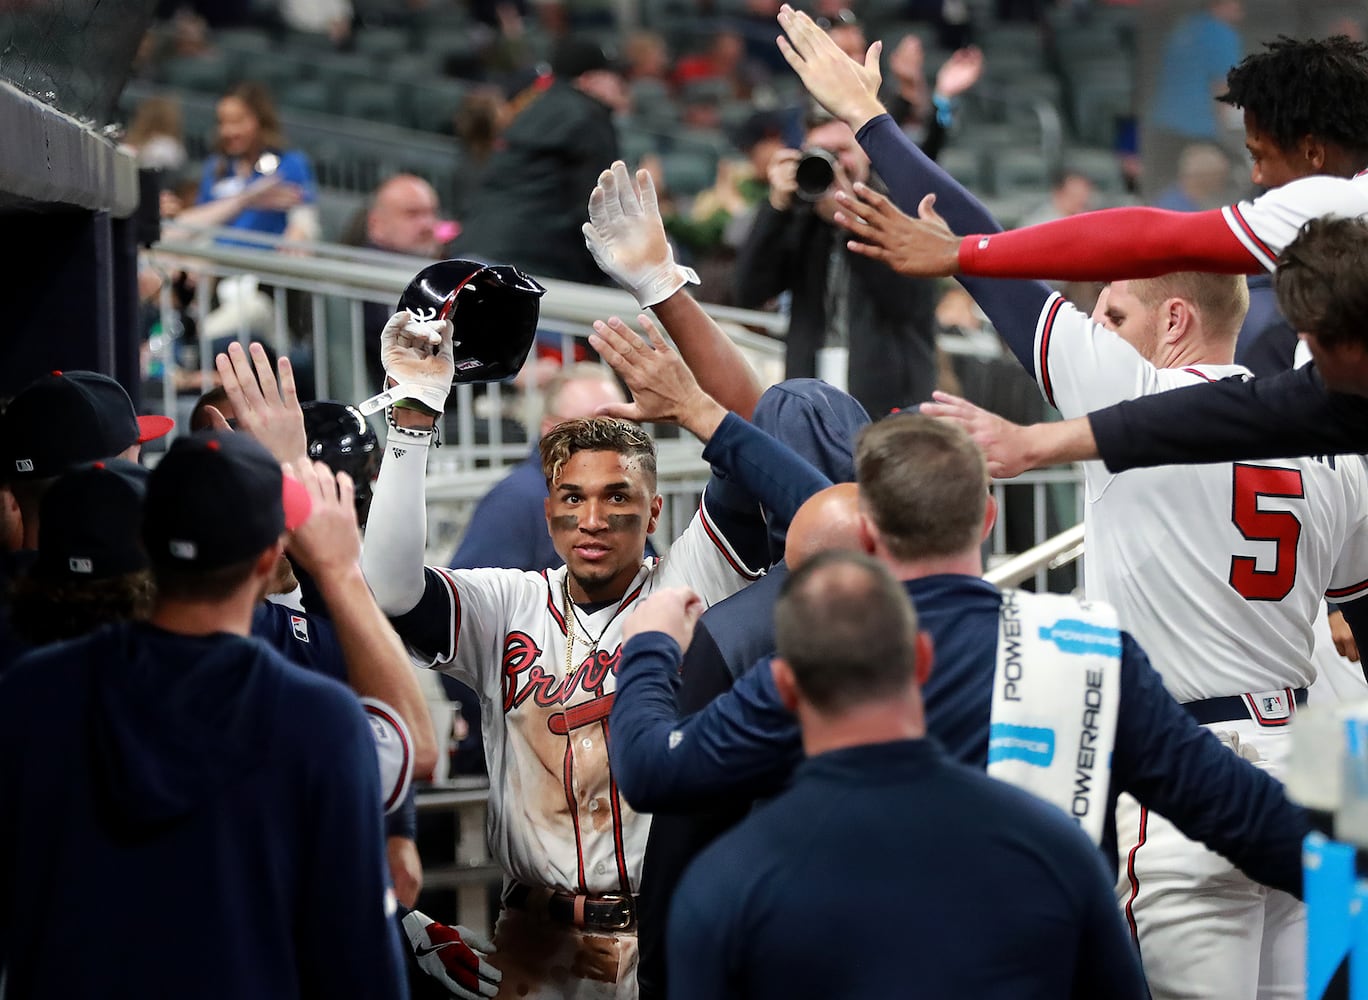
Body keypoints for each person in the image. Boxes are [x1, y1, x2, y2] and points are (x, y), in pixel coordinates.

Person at [588, 311, 1316, 997]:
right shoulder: (1091, 652)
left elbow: (654, 769)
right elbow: (1250, 820)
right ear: (989, 513)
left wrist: (649, 644)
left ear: (866, 530)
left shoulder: (830, 655)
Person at [358, 278, 776, 998]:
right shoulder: (507, 602)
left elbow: (759, 430)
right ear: (547, 511)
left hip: (668, 929)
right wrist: (413, 421)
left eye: (618, 497)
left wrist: (668, 308)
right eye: (572, 498)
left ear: (653, 515)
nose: (592, 518)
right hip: (534, 938)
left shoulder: (689, 577)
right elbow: (393, 589)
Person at [782, 29, 1368, 468]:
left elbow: (1147, 240)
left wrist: (871, 122)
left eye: (1111, 315)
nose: (1258, 180)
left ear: (1174, 319)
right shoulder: (1319, 424)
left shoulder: (1123, 387)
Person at [630, 551, 1149, 1000]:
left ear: (783, 687)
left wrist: (650, 646)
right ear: (922, 660)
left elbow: (650, 764)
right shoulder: (1054, 847)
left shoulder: (725, 885)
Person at [0, 432, 406, 998]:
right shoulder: (318, 721)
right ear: (270, 559)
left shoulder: (32, 692)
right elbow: (359, 963)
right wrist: (340, 572)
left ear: (145, 540)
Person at [733, 105, 939, 417]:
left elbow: (906, 304)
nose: (833, 162)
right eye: (820, 151)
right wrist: (776, 207)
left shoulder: (902, 211)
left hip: (889, 401)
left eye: (842, 150)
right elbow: (749, 291)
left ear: (867, 152)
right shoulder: (802, 217)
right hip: (813, 392)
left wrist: (852, 219)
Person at [452, 35, 626, 284]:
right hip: (530, 267)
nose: (620, 87)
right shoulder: (590, 117)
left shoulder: (528, 111)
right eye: (614, 79)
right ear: (589, 80)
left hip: (473, 254)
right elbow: (593, 208)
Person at [448, 363, 626, 573]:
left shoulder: (623, 493)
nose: (609, 439)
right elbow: (468, 597)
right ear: (550, 430)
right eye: (590, 426)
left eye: (620, 426)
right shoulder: (516, 501)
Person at [195, 80, 319, 245]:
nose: (228, 131)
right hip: (216, 263)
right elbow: (200, 221)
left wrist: (299, 232)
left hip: (263, 265)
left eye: (237, 122)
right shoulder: (216, 166)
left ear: (260, 120)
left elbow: (304, 215)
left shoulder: (289, 163)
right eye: (222, 122)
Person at [1146, 0, 1244, 197]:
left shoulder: (1185, 28)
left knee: (1167, 190)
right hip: (1196, 130)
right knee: (1233, 177)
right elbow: (1222, 89)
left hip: (1162, 125)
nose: (1242, 9)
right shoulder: (1222, 34)